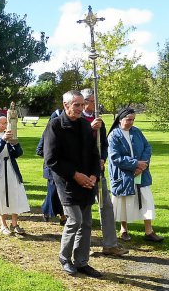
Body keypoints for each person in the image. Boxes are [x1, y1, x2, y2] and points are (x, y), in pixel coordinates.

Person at [44, 90, 102, 278]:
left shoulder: (86, 126)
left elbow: (95, 154)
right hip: (67, 182)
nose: (80, 108)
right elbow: (51, 159)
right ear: (65, 105)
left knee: (86, 223)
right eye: (76, 104)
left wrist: (94, 175)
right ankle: (65, 258)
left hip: (87, 181)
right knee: (75, 220)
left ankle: (82, 262)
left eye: (82, 105)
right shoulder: (55, 126)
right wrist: (75, 175)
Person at [80, 88, 128, 256]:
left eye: (96, 101)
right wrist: (90, 129)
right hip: (82, 173)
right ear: (85, 102)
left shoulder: (98, 120)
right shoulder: (77, 120)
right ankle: (83, 247)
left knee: (106, 206)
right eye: (93, 101)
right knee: (84, 210)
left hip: (97, 171)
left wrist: (103, 158)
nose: (95, 104)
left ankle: (110, 244)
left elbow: (104, 144)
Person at [107, 107, 163, 242]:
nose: (131, 122)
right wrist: (135, 164)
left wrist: (143, 165)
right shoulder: (114, 135)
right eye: (128, 120)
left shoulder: (136, 131)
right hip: (123, 175)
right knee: (123, 201)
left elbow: (147, 147)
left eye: (133, 120)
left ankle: (149, 232)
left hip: (141, 174)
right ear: (120, 120)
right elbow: (115, 157)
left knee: (146, 199)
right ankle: (124, 230)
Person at [0, 113, 30, 235]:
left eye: (6, 123)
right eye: (3, 123)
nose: (6, 125)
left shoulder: (10, 134)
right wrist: (3, 140)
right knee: (1, 196)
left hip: (11, 167)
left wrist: (15, 143)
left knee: (15, 193)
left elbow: (18, 153)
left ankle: (14, 223)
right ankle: (3, 225)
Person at [36, 109, 67, 226]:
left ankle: (60, 214)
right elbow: (39, 150)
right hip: (51, 168)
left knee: (61, 192)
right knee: (53, 193)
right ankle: (50, 211)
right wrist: (52, 155)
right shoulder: (48, 132)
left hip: (63, 168)